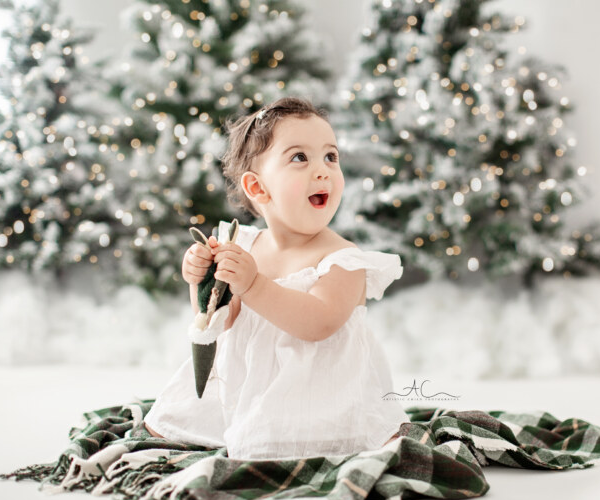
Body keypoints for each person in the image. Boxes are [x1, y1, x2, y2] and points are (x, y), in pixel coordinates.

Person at [143, 97, 410, 460]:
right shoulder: (246, 245)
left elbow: (318, 323)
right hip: (245, 383)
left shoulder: (343, 259)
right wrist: (202, 281)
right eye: (300, 157)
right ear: (257, 188)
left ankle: (287, 432)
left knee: (274, 443)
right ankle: (233, 418)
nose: (323, 170)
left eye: (331, 156)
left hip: (316, 394)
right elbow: (223, 319)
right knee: (174, 422)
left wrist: (254, 285)